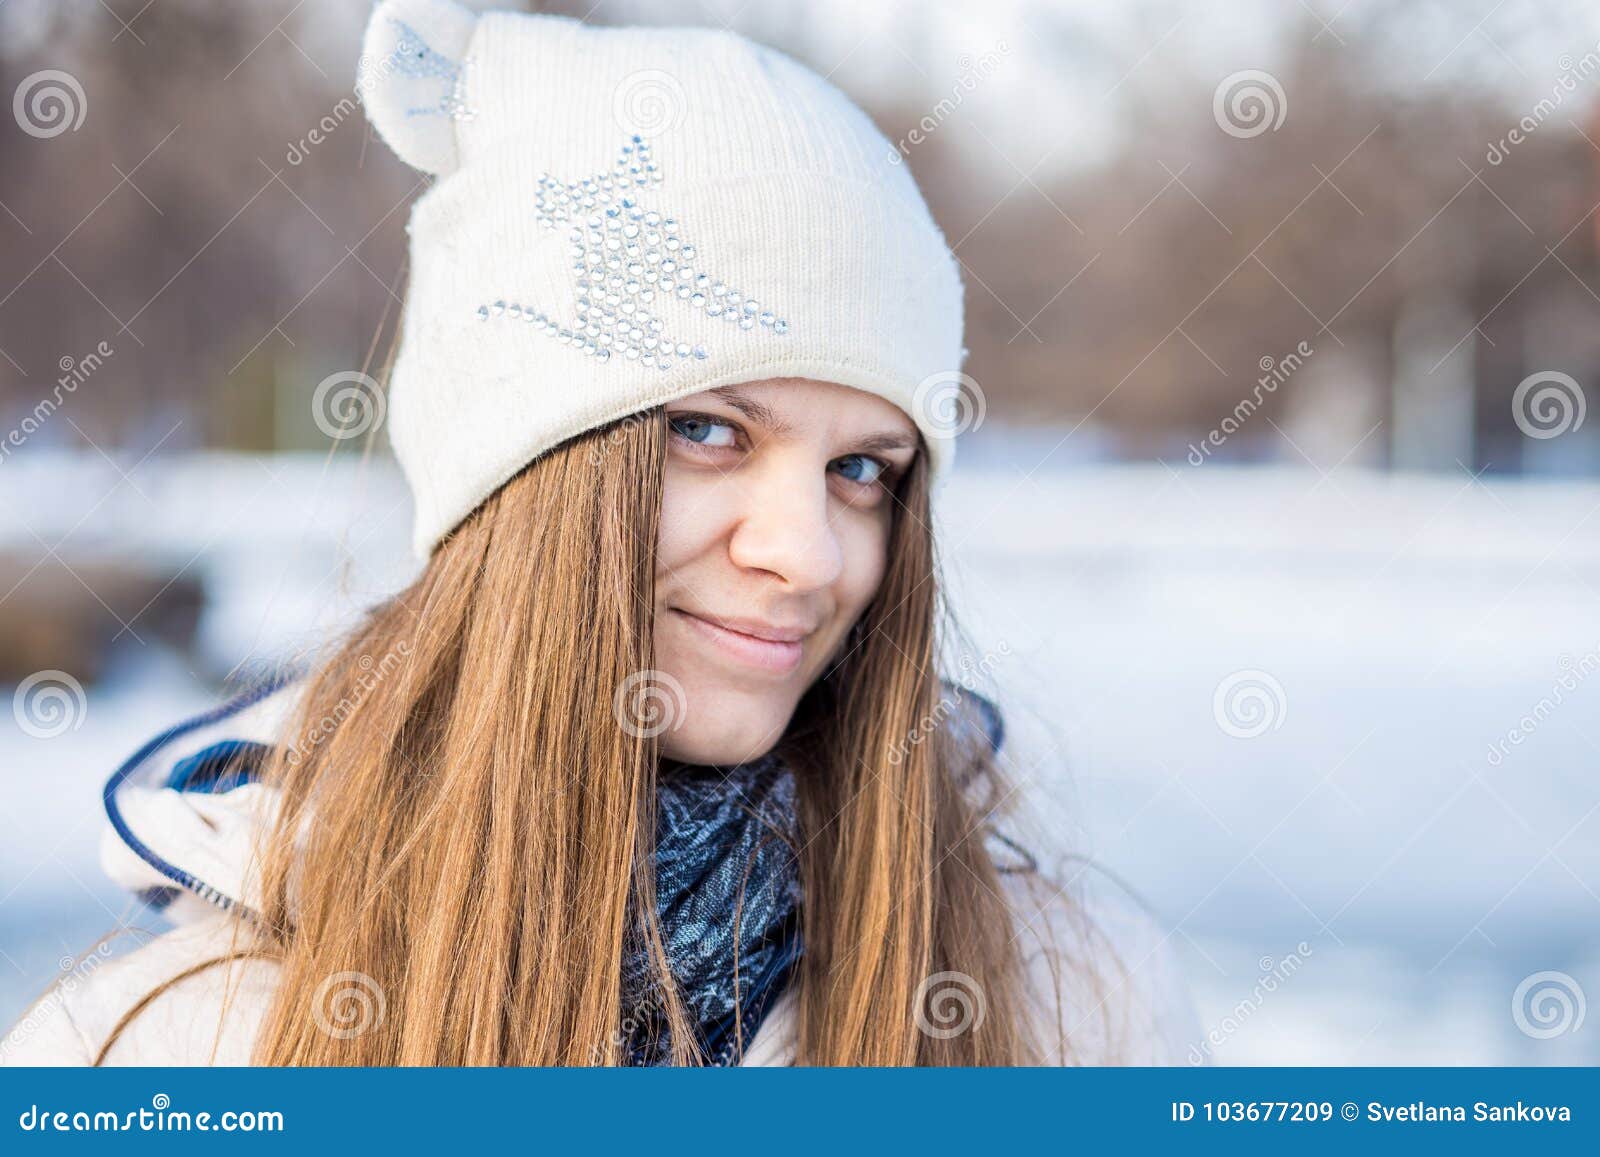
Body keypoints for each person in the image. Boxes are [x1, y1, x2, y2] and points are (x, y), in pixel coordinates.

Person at [2, 0, 1193, 1067]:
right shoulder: (165, 1052)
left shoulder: (1069, 1007)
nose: (811, 553)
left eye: (861, 469)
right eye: (710, 433)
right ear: (515, 478)